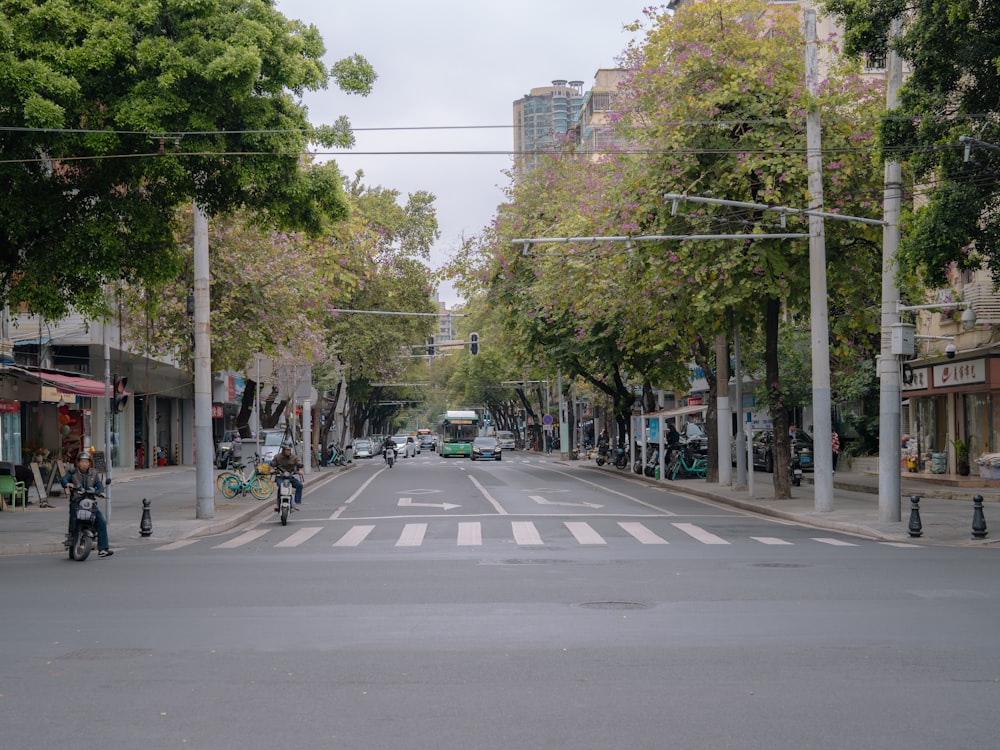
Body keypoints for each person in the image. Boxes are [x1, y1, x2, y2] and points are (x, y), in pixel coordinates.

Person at [60, 452, 113, 557]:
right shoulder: (72, 472)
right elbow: (63, 479)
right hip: (77, 501)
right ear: (78, 463)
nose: (84, 464)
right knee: (73, 522)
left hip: (90, 501)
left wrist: (101, 492)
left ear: (89, 463)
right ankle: (71, 541)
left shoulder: (94, 473)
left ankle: (103, 549)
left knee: (101, 521)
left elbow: (98, 485)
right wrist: (67, 484)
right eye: (82, 462)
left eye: (86, 462)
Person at [270, 441, 304, 511]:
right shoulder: (277, 457)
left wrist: (300, 470)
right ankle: (278, 503)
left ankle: (297, 503)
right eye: (287, 450)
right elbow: (272, 464)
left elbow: (299, 463)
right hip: (280, 477)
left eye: (289, 449)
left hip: (290, 476)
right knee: (281, 486)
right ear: (283, 450)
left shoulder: (294, 457)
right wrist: (272, 469)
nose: (289, 451)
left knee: (299, 485)